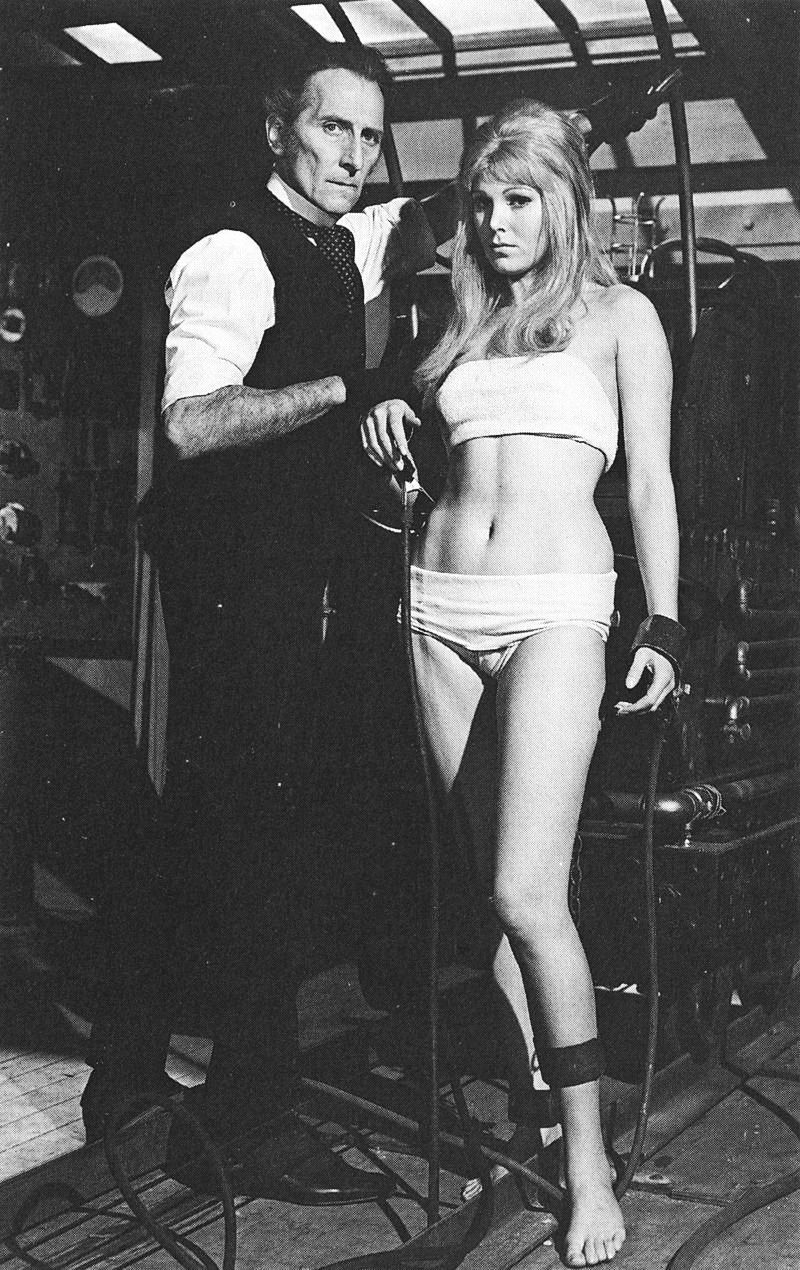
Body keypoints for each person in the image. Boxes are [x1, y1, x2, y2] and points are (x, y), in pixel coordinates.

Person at [82, 42, 455, 1204]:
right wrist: (349, 391)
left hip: (298, 579)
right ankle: (245, 1118)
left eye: (369, 136)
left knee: (235, 828)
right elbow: (191, 422)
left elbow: (419, 220)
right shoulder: (234, 252)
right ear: (276, 131)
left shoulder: (344, 237)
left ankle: (137, 1077)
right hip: (231, 581)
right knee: (253, 838)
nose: (354, 154)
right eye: (332, 128)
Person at [360, 100, 684, 1266]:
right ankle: (539, 1105)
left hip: (556, 607)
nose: (495, 223)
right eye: (482, 202)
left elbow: (647, 482)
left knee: (524, 891)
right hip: (437, 609)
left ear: (564, 202)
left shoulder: (620, 317)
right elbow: (419, 418)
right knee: (482, 890)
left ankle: (587, 1162)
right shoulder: (458, 317)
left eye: (519, 200)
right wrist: (390, 400)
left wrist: (664, 620)